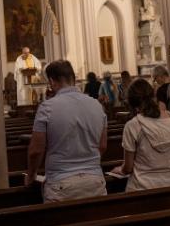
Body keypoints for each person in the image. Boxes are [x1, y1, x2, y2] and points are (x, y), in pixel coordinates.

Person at [26, 60, 108, 202]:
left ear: (51, 81)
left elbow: (36, 150)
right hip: (95, 181)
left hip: (61, 183)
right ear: (73, 79)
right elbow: (102, 146)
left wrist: (31, 175)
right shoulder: (96, 105)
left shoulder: (47, 108)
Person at [112, 79, 170, 191]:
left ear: (133, 104)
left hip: (140, 190)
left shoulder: (133, 125)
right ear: (153, 95)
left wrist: (120, 170)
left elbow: (128, 168)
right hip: (168, 188)